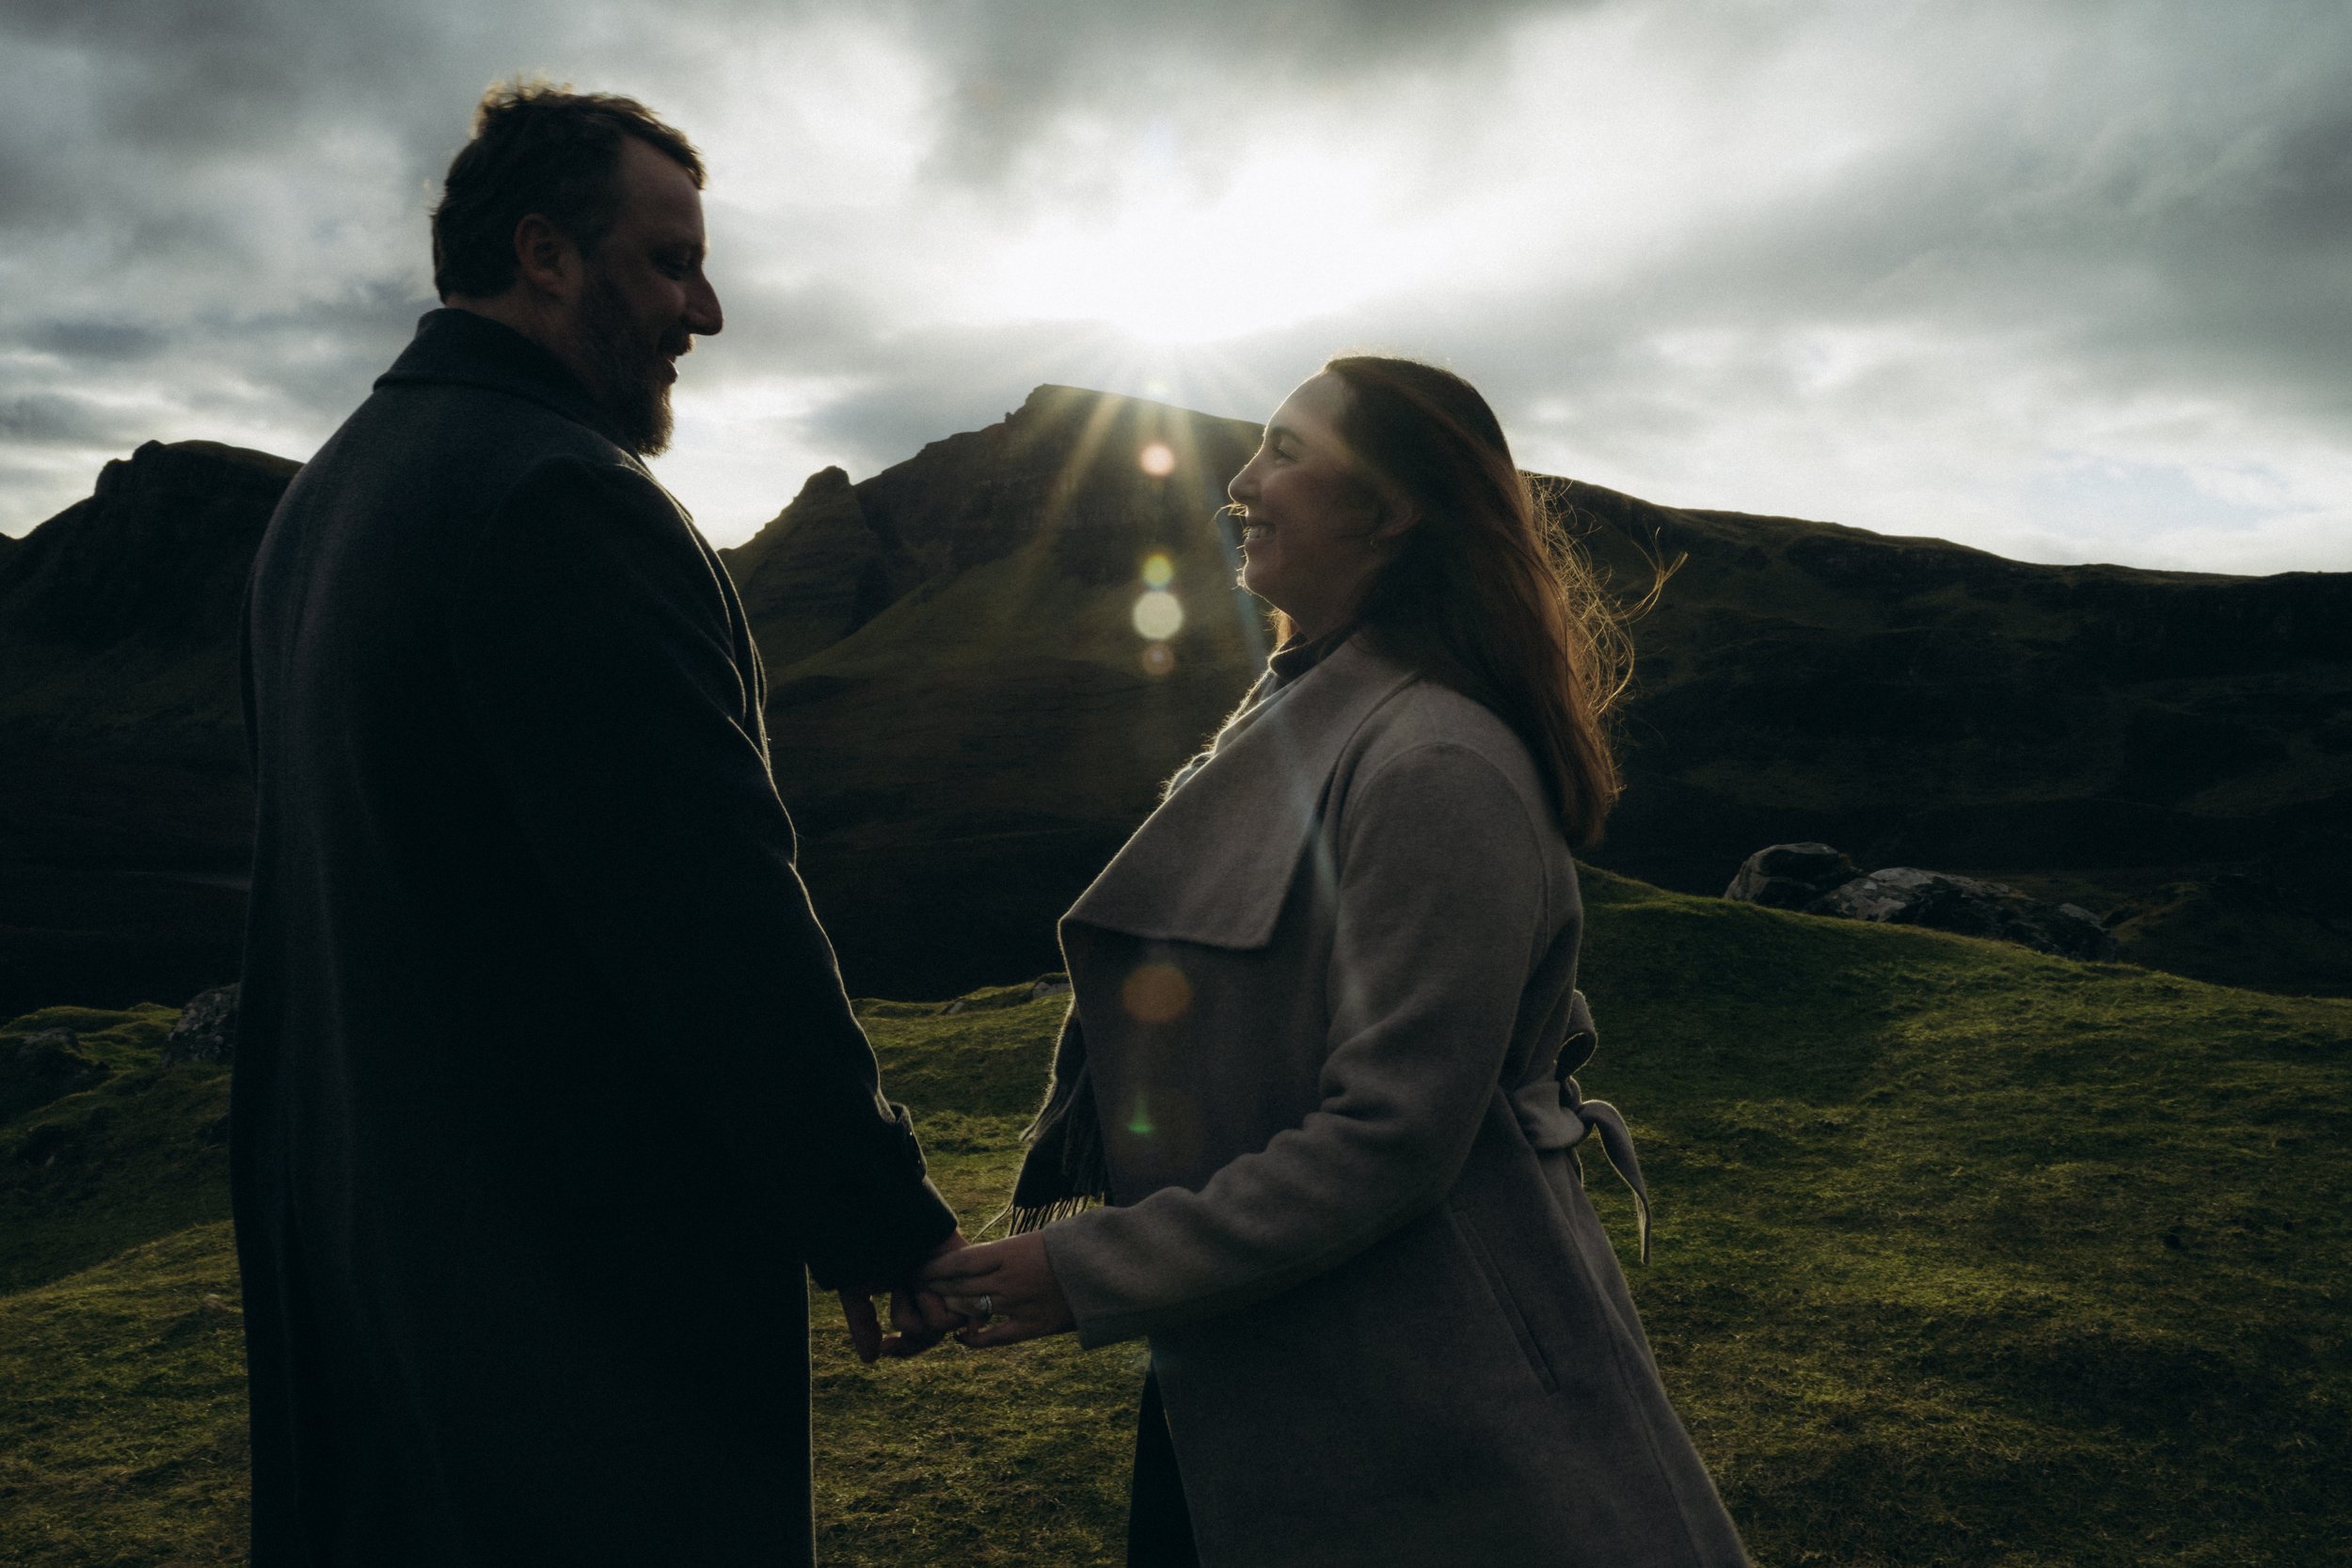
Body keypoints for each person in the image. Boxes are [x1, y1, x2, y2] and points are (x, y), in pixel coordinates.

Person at [235, 85, 961, 1568]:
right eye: (669, 260)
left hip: (375, 1269)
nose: (705, 308)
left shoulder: (329, 495)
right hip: (569, 1294)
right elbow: (707, 909)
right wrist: (876, 1214)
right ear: (545, 253)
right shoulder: (559, 500)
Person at [920, 358, 1752, 1566]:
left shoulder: (1434, 764)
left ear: (1393, 506)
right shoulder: (1310, 706)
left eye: (1287, 452)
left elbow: (1391, 1135)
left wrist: (1087, 1264)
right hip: (1263, 1340)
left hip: (1414, 1370)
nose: (1241, 482)